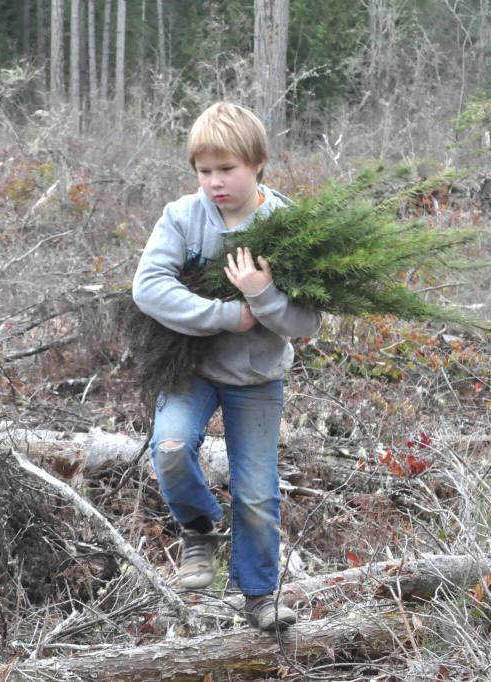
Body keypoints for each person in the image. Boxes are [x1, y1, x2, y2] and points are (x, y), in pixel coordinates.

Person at [132, 102, 320, 631]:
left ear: (258, 163)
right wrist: (223, 315)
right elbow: (148, 288)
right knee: (169, 450)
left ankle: (259, 596)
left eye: (227, 169)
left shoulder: (287, 224)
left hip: (257, 379)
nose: (214, 182)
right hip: (189, 368)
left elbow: (307, 321)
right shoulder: (183, 217)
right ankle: (199, 529)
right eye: (204, 170)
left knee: (257, 493)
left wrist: (262, 296)